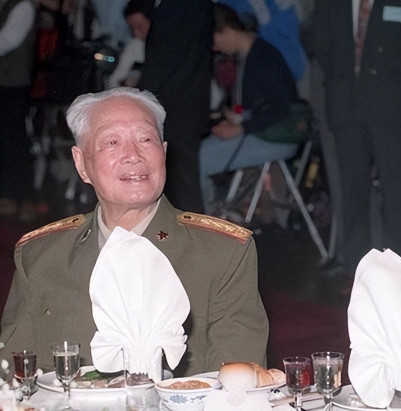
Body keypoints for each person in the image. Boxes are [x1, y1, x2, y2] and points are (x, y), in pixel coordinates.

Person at [0, 87, 269, 377]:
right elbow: (12, 380)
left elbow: (240, 386)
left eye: (145, 139)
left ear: (163, 153)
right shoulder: (41, 256)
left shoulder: (222, 253)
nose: (133, 156)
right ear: (81, 164)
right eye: (112, 142)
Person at [313, 0, 401, 274]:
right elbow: (321, 44)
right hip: (346, 103)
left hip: (389, 104)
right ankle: (356, 267)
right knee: (351, 190)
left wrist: (393, 85)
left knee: (396, 189)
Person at [199, 4, 299, 214]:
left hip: (277, 136)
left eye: (214, 41)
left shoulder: (264, 58)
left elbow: (282, 109)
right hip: (261, 131)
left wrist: (241, 128)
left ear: (225, 30)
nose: (215, 48)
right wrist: (229, 117)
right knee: (199, 151)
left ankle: (203, 218)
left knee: (202, 158)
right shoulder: (248, 55)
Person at [138, 0, 213, 214]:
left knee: (181, 184)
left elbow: (165, 59)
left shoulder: (179, 5)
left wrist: (143, 97)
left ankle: (188, 232)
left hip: (175, 107)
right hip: (182, 105)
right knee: (179, 181)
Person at [0, 0, 37, 222]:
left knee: (14, 140)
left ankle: (22, 197)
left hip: (12, 83)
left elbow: (7, 41)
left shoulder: (23, 6)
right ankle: (7, 194)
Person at [105, 0, 154, 89]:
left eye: (140, 27)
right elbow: (113, 82)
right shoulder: (135, 46)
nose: (136, 33)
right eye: (132, 28)